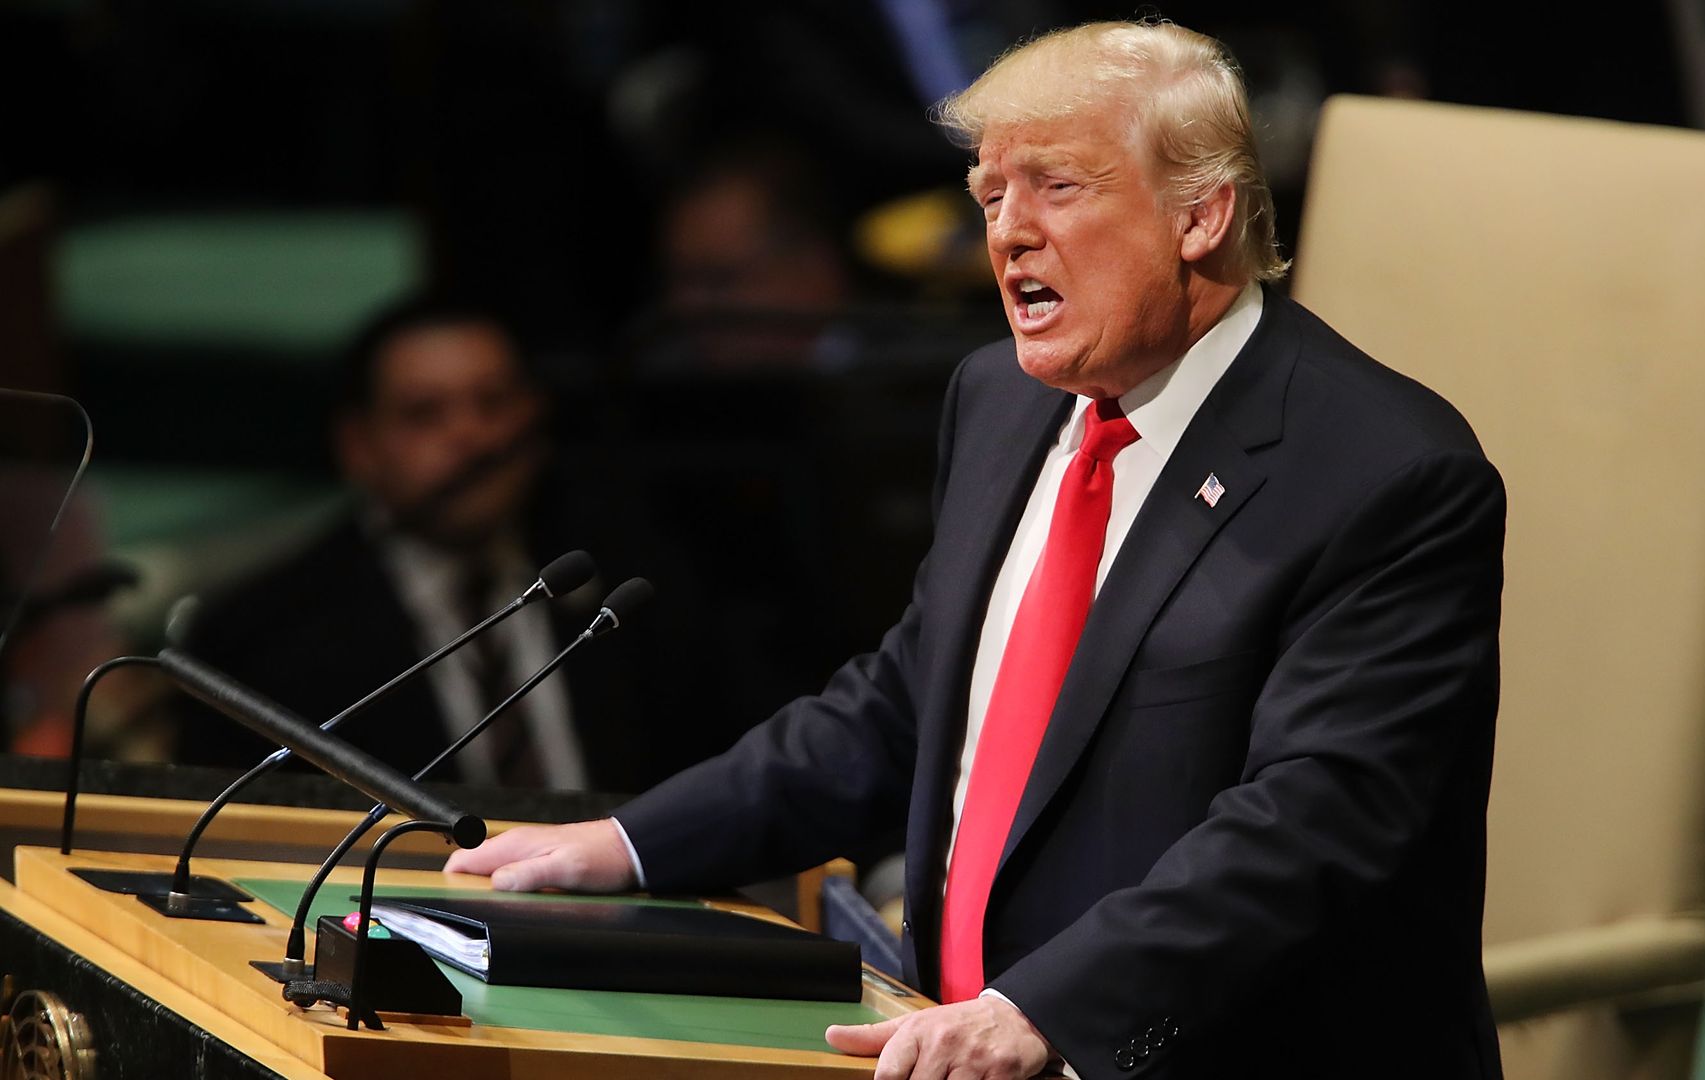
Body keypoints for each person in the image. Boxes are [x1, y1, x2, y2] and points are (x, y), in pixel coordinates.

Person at [449, 20, 1505, 1078]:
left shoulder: (1384, 474)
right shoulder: (999, 398)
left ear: (1202, 214)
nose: (1007, 235)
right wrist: (629, 843)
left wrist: (1041, 1011)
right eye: (991, 197)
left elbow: (1310, 825)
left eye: (1055, 187)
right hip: (940, 1042)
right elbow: (911, 704)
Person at [176, 297, 737, 793]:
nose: (472, 437)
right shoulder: (265, 635)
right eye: (426, 414)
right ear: (358, 446)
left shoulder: (631, 584)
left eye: (493, 403)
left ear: (533, 419)